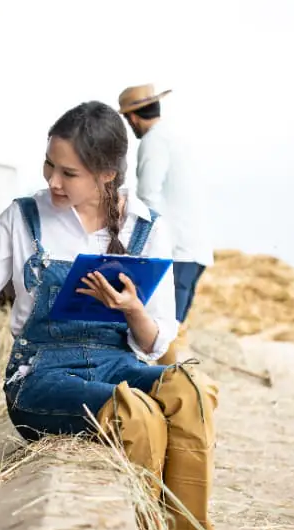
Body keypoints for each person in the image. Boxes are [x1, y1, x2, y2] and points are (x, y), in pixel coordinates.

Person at [0, 101, 218, 530]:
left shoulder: (148, 228)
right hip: (40, 374)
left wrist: (132, 311)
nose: (53, 181)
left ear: (107, 174)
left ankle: (189, 528)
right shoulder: (23, 217)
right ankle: (146, 525)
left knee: (191, 390)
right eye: (49, 165)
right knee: (137, 413)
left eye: (69, 174)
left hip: (117, 364)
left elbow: (155, 344)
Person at [118, 84, 215, 366]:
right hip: (195, 248)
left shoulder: (153, 141)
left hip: (176, 249)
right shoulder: (177, 137)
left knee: (163, 333)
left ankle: (173, 396)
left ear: (132, 118)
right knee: (174, 330)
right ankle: (175, 392)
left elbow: (148, 196)